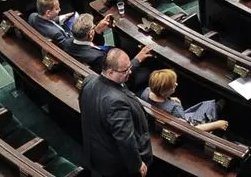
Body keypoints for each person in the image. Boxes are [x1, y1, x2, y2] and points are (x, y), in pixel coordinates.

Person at [81, 49, 153, 177]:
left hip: (96, 150)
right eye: (126, 70)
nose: (130, 72)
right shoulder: (116, 102)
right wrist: (136, 164)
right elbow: (125, 139)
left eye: (129, 67)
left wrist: (135, 61)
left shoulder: (89, 81)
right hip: (116, 165)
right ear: (110, 71)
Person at [142, 69, 228, 132]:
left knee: (205, 106)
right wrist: (217, 124)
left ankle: (217, 107)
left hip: (159, 121)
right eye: (173, 85)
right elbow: (188, 129)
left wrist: (168, 99)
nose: (176, 84)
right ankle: (217, 108)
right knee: (209, 105)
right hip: (182, 125)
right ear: (164, 91)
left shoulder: (146, 92)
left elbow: (158, 99)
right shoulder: (175, 108)